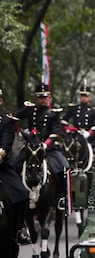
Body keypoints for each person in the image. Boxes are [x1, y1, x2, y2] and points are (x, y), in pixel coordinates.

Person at [12, 84, 68, 210]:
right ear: (36, 98)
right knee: (14, 166)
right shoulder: (30, 110)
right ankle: (15, 197)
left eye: (45, 97)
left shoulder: (53, 114)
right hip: (31, 147)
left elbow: (55, 133)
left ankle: (62, 198)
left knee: (64, 167)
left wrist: (45, 144)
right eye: (40, 97)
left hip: (48, 149)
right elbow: (13, 116)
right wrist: (18, 128)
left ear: (50, 98)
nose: (43, 100)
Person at [0, 85, 31, 245]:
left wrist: (1, 153)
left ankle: (19, 229)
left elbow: (5, 144)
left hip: (1, 167)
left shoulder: (6, 122)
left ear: (1, 101)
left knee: (22, 193)